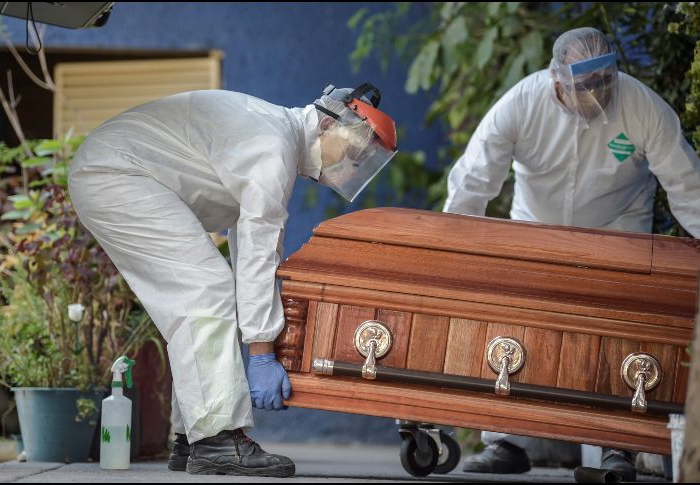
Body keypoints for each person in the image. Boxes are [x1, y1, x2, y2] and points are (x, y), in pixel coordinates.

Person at [68, 83, 397, 477]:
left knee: (203, 292)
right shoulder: (273, 147)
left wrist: (260, 337)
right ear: (331, 124)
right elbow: (259, 252)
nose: (349, 167)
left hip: (113, 169)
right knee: (203, 291)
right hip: (116, 173)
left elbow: (251, 253)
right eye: (353, 152)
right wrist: (262, 354)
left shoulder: (273, 137)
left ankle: (194, 436)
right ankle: (216, 441)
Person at [443, 26, 700, 479]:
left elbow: (686, 185)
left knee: (617, 328)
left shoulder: (642, 107)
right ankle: (505, 441)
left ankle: (617, 446)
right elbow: (473, 180)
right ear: (556, 80)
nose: (599, 92)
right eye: (586, 85)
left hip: (619, 227)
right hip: (535, 226)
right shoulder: (522, 104)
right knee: (516, 320)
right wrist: (455, 253)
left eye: (606, 80)